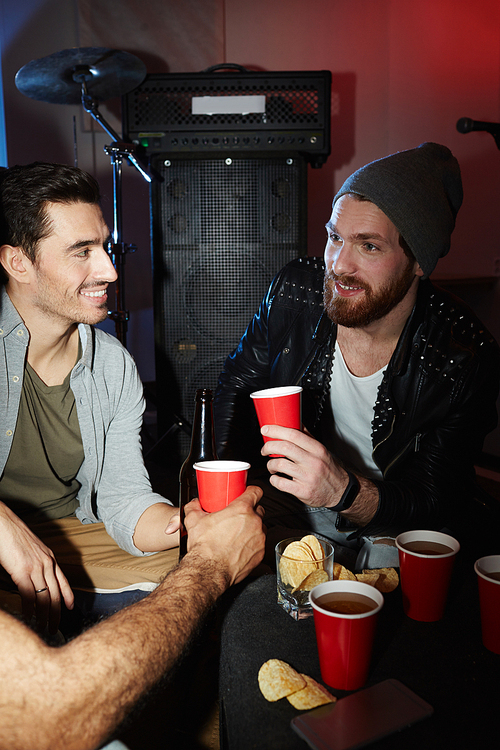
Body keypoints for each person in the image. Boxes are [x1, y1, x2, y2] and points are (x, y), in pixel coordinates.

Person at [214, 142, 500, 570]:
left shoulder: (462, 353)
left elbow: (432, 498)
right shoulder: (295, 290)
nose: (339, 265)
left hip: (398, 516)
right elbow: (236, 389)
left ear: (418, 261)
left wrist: (343, 492)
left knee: (389, 604)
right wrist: (222, 494)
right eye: (335, 237)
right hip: (295, 500)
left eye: (369, 246)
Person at [0, 162, 182, 634]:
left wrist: (187, 523)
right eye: (82, 251)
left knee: (199, 586)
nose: (110, 270)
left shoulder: (113, 365)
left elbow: (123, 499)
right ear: (18, 262)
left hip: (70, 535)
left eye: (103, 245)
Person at [0, 485, 265, 750]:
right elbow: (54, 716)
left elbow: (124, 498)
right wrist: (211, 565)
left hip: (71, 523)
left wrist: (202, 527)